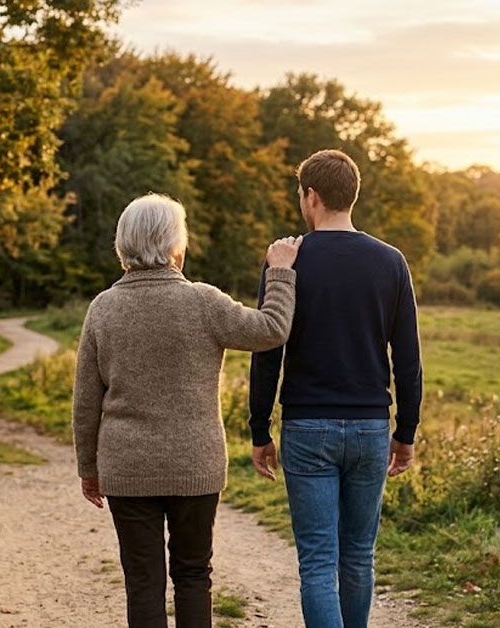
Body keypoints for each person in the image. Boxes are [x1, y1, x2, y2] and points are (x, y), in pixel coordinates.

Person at [72, 192, 303, 628]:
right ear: (175, 242)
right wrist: (279, 273)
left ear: (124, 243)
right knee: (194, 574)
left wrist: (88, 467)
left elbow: (86, 400)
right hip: (195, 464)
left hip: (127, 466)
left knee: (143, 582)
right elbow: (272, 329)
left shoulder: (102, 308)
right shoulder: (204, 301)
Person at [248, 149, 423, 628]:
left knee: (318, 563)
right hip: (370, 428)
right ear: (352, 195)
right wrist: (405, 432)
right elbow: (408, 358)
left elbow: (268, 351)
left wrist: (259, 429)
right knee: (359, 556)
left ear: (312, 196)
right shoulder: (391, 261)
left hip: (307, 427)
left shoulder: (286, 261)